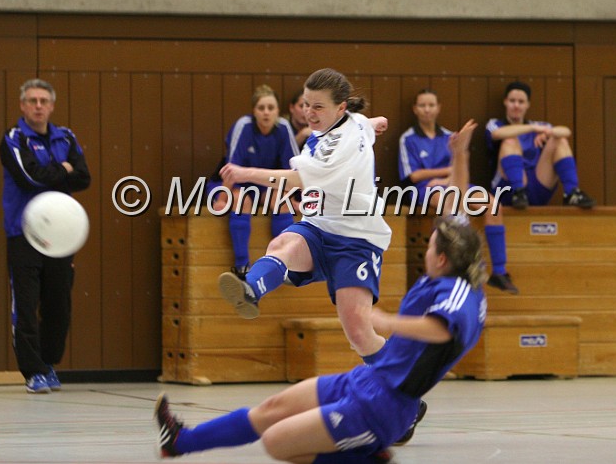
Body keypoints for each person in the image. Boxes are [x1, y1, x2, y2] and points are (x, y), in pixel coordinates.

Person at [154, 119, 488, 463]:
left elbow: (441, 328)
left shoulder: (460, 296)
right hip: (368, 378)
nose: (427, 248)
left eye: (431, 246)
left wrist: (388, 322)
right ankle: (179, 441)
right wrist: (460, 155)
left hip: (385, 406)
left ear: (443, 259)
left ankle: (365, 459)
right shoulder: (457, 260)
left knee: (277, 443)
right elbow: (455, 202)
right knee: (272, 409)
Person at [217, 68, 391, 363]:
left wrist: (245, 173)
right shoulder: (351, 123)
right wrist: (374, 123)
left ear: (340, 107)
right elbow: (364, 123)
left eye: (318, 106)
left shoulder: (339, 144)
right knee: (281, 244)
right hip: (319, 227)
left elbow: (296, 180)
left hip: (357, 239)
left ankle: (401, 380)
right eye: (306, 104)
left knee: (359, 334)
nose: (309, 112)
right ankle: (251, 287)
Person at [0, 79, 91, 394]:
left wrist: (57, 172)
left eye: (43, 101)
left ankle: (49, 362)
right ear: (22, 105)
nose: (38, 106)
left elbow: (83, 177)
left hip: (60, 236)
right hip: (23, 234)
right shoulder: (13, 138)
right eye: (32, 101)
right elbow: (27, 176)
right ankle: (32, 371)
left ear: (51, 106)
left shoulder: (66, 137)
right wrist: (62, 170)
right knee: (25, 304)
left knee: (58, 304)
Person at [399, 89, 519, 295]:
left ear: (438, 108)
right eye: (422, 105)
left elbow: (459, 166)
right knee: (451, 203)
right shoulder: (408, 139)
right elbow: (414, 175)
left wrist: (447, 177)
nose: (427, 109)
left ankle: (499, 272)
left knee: (493, 205)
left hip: (451, 182)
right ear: (415, 109)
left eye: (431, 105)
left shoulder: (449, 136)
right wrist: (446, 174)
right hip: (424, 188)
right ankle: (460, 264)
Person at [217, 85, 301, 279]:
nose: (266, 112)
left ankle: (283, 263)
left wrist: (297, 199)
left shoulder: (283, 128)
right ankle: (242, 266)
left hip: (266, 185)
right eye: (261, 108)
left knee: (281, 200)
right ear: (254, 111)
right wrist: (222, 198)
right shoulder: (244, 126)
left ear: (278, 111)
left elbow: (294, 170)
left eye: (271, 108)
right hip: (238, 184)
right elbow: (230, 169)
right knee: (241, 200)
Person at [486, 81, 595, 209]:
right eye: (512, 101)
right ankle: (518, 191)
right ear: (505, 102)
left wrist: (549, 133)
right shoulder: (495, 123)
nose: (516, 105)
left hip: (537, 186)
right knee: (510, 140)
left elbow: (566, 131)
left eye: (521, 102)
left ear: (528, 104)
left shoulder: (540, 126)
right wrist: (532, 128)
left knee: (559, 140)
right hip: (507, 190)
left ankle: (572, 193)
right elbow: (497, 134)